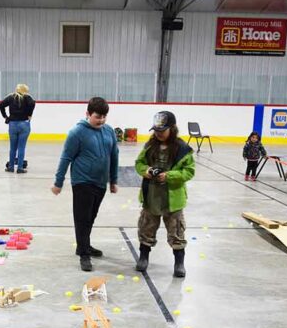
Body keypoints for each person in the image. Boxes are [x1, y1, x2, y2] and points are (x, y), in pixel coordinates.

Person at [51, 97, 119, 272]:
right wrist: (58, 182)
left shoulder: (109, 131)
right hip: (82, 181)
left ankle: (84, 245)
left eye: (104, 117)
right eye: (98, 116)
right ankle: (84, 254)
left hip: (100, 182)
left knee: (91, 217)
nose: (101, 120)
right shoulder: (77, 133)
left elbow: (114, 156)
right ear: (87, 113)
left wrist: (113, 180)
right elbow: (66, 158)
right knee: (82, 219)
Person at [134, 111, 195, 278]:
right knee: (146, 227)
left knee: (176, 231)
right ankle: (143, 257)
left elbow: (189, 172)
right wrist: (145, 171)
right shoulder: (149, 146)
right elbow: (139, 163)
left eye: (163, 130)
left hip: (173, 198)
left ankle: (179, 263)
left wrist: (169, 176)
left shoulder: (183, 149)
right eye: (156, 130)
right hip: (151, 196)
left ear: (172, 128)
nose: (159, 134)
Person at [0, 84, 35, 173]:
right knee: (21, 147)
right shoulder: (27, 97)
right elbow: (32, 103)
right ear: (25, 91)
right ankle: (20, 168)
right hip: (24, 124)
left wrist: (5, 116)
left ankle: (11, 167)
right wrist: (30, 114)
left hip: (13, 124)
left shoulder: (11, 97)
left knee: (13, 147)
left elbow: (1, 105)